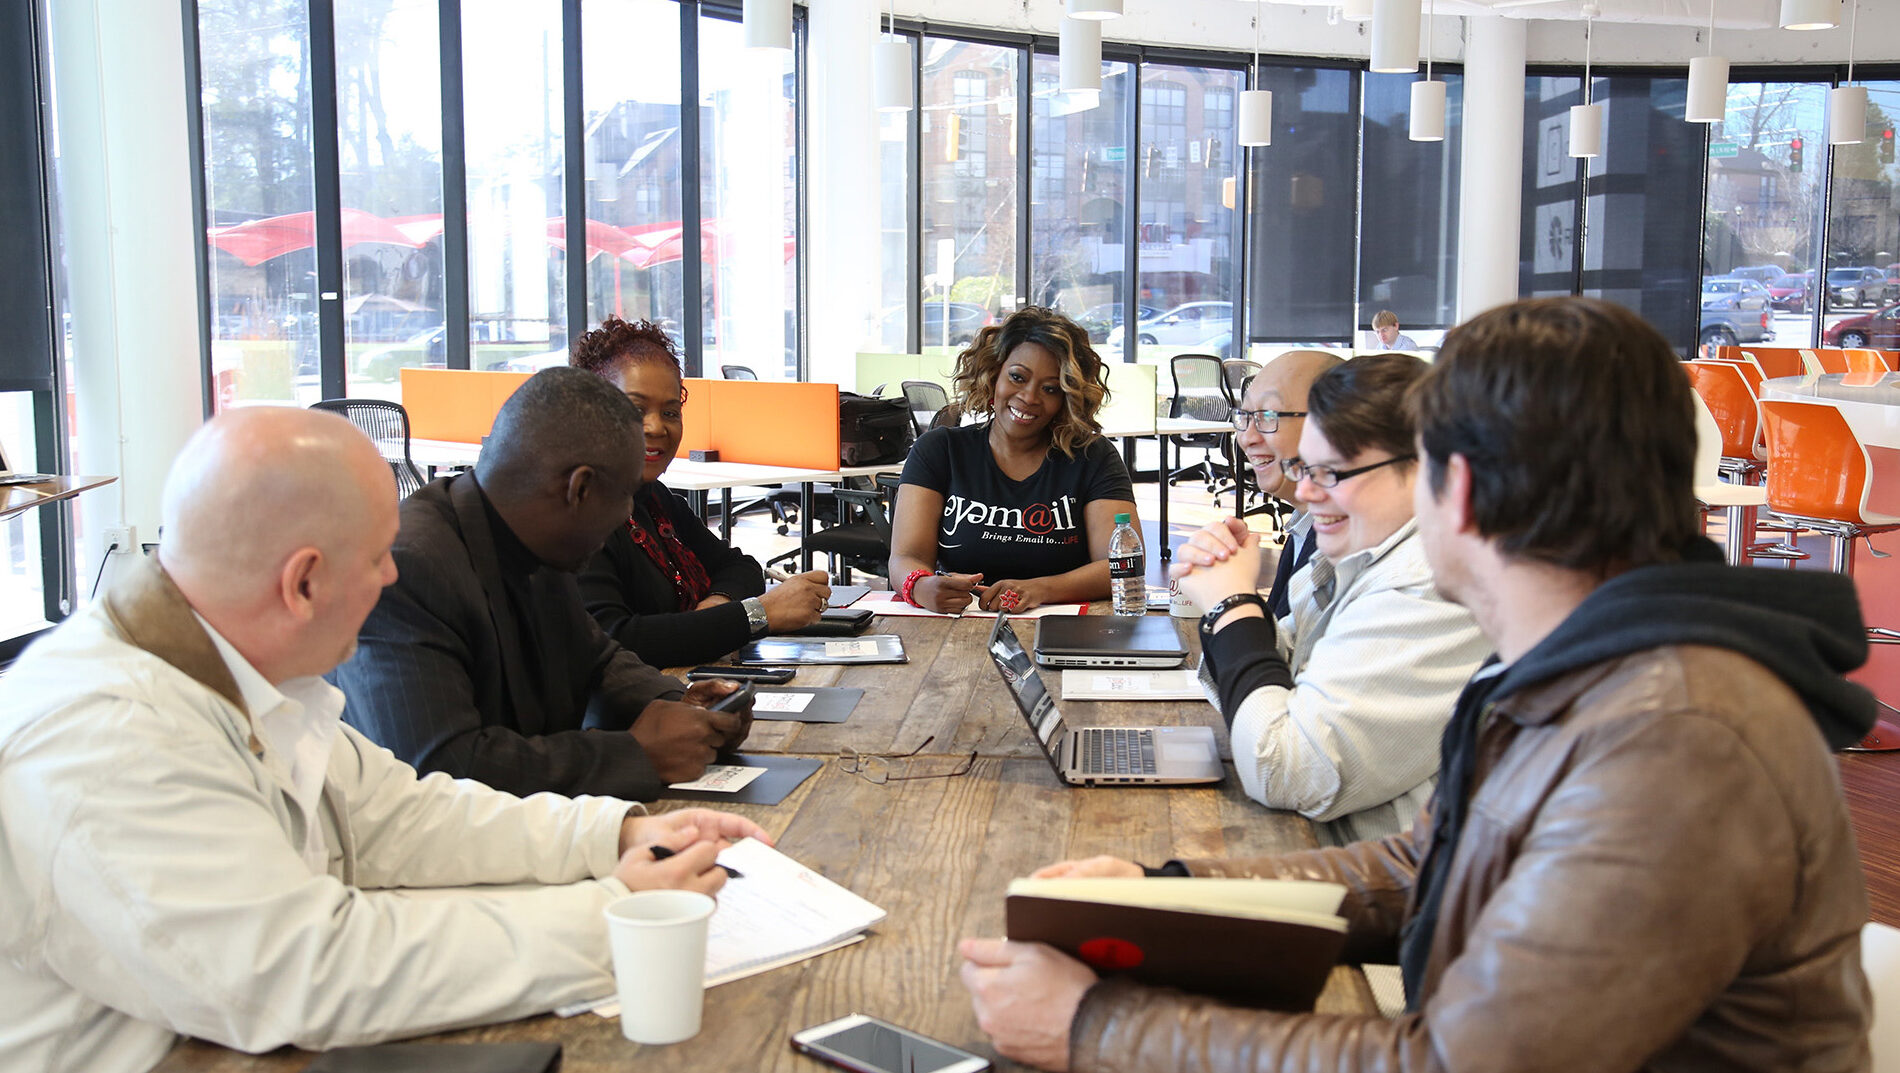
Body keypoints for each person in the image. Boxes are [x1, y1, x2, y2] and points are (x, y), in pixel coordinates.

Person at [960, 296, 1874, 1072]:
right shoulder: (1586, 662)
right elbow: (1413, 867)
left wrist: (1095, 1026)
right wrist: (1163, 890)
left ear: (1460, 489)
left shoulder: (1676, 738)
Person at [0, 407, 767, 1073]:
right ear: (302, 583)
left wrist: (617, 832)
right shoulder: (108, 738)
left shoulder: (244, 664)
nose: (390, 582)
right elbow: (306, 971)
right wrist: (612, 915)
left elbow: (399, 815)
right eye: (375, 560)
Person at [331, 366, 752, 800]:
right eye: (625, 495)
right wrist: (636, 754)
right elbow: (440, 770)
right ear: (579, 489)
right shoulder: (407, 568)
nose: (629, 515)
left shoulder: (536, 541)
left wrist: (683, 704)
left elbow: (596, 658)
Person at [1173, 354, 1488, 843]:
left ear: (1427, 466)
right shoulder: (1359, 557)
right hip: (1336, 861)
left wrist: (1230, 606)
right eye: (1305, 469)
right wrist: (1229, 604)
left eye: (1331, 473)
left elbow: (1284, 771)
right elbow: (1272, 682)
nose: (1306, 491)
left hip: (1382, 897)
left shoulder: (1429, 586)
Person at [571, 317, 831, 667]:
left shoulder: (655, 500)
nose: (656, 427)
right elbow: (615, 639)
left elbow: (741, 568)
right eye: (636, 409)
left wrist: (712, 615)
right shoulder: (577, 514)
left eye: (670, 412)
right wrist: (756, 615)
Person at [889, 306, 1137, 614]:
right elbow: (904, 558)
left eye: (1050, 388)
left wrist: (1038, 589)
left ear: (1067, 398)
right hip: (958, 624)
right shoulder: (939, 450)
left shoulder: (1093, 456)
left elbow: (1120, 564)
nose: (1030, 397)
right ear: (993, 375)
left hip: (1063, 629)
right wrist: (921, 586)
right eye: (1018, 377)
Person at [1232, 349, 1341, 618]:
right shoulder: (1304, 523)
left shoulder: (1349, 547)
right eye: (1244, 416)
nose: (1247, 438)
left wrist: (1233, 600)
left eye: (1268, 416)